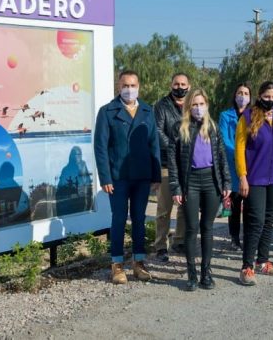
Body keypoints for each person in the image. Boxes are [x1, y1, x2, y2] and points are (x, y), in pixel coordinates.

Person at [94, 70, 161, 284]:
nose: (129, 89)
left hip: (142, 177)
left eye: (133, 85)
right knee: (119, 220)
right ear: (118, 87)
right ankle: (117, 265)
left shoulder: (147, 111)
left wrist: (156, 175)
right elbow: (101, 147)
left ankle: (139, 263)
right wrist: (105, 177)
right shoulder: (107, 112)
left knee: (140, 219)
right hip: (118, 178)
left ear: (139, 86)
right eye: (125, 85)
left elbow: (154, 145)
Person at [168, 89, 232, 291]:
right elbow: (173, 161)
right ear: (188, 107)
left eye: (201, 104)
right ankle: (192, 274)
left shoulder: (212, 127)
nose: (198, 108)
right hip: (190, 182)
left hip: (211, 181)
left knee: (207, 228)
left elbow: (221, 156)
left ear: (207, 105)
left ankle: (206, 273)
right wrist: (176, 187)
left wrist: (227, 183)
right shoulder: (180, 127)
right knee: (191, 228)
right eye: (194, 104)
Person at [236, 81, 273, 285]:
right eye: (266, 97)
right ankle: (246, 267)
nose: (270, 100)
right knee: (255, 221)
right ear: (259, 96)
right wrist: (242, 175)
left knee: (269, 220)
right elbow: (240, 148)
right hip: (255, 179)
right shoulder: (248, 117)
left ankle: (263, 261)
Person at [153, 73, 190, 261]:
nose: (180, 87)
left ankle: (180, 241)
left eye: (183, 84)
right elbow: (157, 130)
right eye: (176, 84)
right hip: (167, 163)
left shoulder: (193, 106)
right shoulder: (161, 106)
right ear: (171, 85)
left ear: (189, 86)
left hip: (187, 164)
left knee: (184, 205)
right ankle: (160, 245)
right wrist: (174, 148)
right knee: (164, 207)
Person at [219, 83, 252, 250]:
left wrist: (249, 156)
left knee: (250, 204)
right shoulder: (225, 116)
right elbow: (224, 140)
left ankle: (249, 236)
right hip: (232, 166)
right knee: (234, 204)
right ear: (235, 95)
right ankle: (234, 237)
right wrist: (240, 154)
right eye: (240, 92)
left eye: (246, 93)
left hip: (251, 166)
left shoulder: (254, 116)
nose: (243, 96)